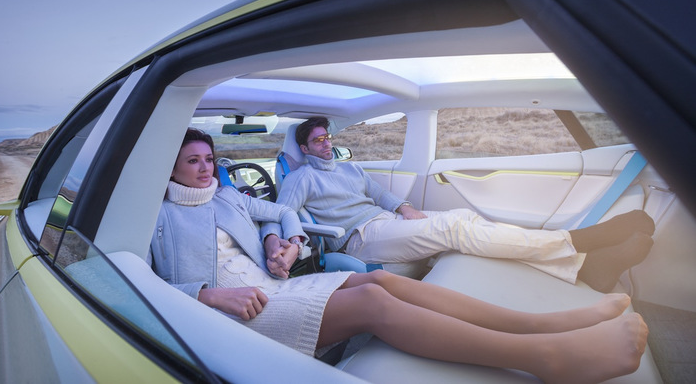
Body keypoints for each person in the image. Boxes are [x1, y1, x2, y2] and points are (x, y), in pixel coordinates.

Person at [149, 127, 648, 383]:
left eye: (209, 159)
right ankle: (548, 358)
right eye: (193, 161)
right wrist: (209, 295)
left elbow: (278, 213)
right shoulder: (154, 216)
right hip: (234, 313)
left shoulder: (228, 196)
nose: (206, 169)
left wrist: (282, 242)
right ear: (168, 169)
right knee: (375, 303)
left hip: (276, 284)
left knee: (386, 282)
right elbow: (131, 282)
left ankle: (541, 324)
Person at [276, 116, 655, 293]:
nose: (326, 143)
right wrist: (285, 244)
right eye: (318, 140)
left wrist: (405, 207)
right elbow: (283, 214)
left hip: (387, 220)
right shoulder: (300, 178)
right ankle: (576, 241)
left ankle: (585, 268)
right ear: (305, 147)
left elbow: (381, 195)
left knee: (464, 217)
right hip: (359, 238)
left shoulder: (351, 167)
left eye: (328, 137)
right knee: (455, 228)